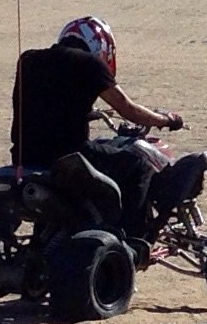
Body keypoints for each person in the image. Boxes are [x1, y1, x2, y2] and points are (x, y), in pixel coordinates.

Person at [13, 16, 188, 241]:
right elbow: (128, 109)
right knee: (138, 167)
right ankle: (134, 238)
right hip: (69, 157)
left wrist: (83, 111)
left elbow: (48, 100)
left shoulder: (28, 59)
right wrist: (165, 120)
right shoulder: (89, 64)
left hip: (25, 156)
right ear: (100, 45)